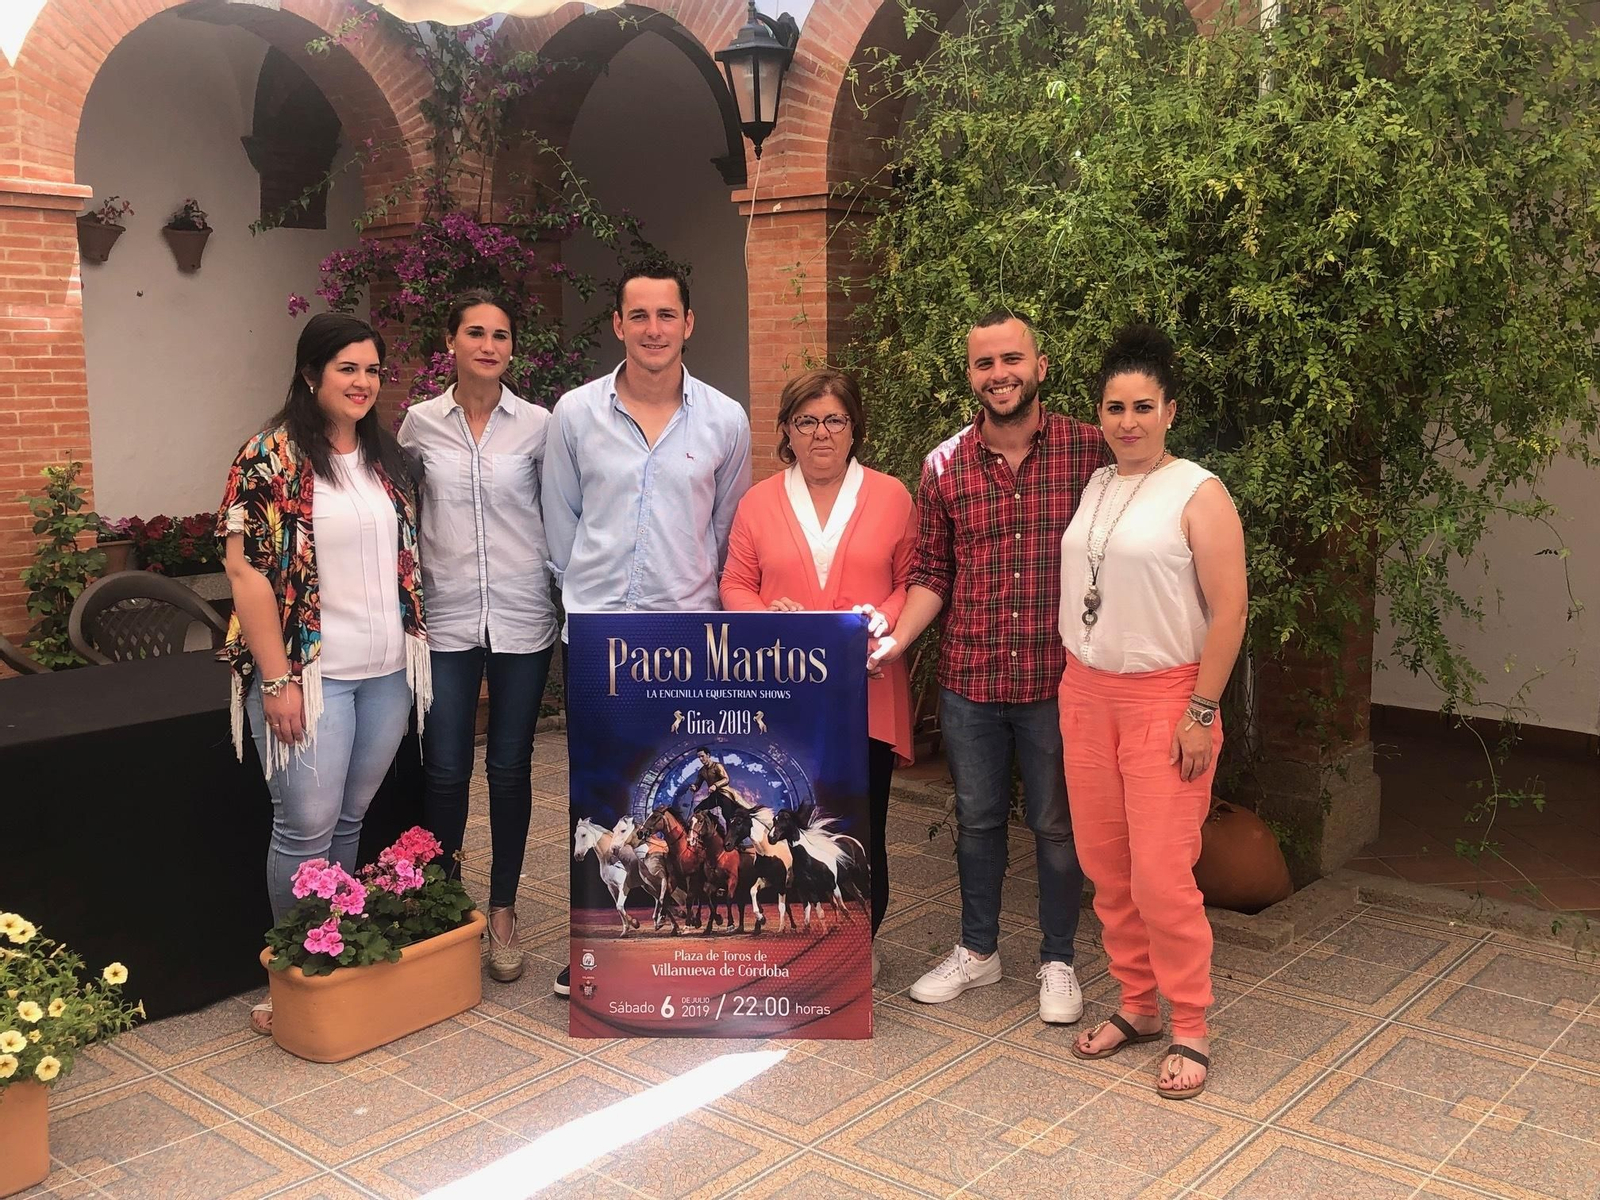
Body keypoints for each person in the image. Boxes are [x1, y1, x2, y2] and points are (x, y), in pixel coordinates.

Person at [870, 308, 1109, 1025]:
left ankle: (1058, 959)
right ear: (969, 375)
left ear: (1040, 365)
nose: (999, 374)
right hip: (971, 679)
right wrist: (892, 643)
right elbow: (932, 572)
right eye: (984, 363)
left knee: (1056, 825)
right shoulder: (943, 464)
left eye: (1011, 359)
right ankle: (979, 952)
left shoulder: (1089, 451)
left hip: (1057, 680)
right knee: (975, 822)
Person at [542, 262, 752, 995]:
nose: (654, 329)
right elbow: (558, 523)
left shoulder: (725, 419)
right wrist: (588, 597)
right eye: (640, 315)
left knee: (674, 792)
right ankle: (595, 948)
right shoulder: (574, 414)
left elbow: (727, 533)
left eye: (667, 315)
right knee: (598, 795)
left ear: (688, 324)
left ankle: (687, 938)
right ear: (618, 325)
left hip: (686, 639)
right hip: (599, 640)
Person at [218, 313, 430, 1035]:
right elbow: (243, 572)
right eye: (347, 368)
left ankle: (332, 959)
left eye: (372, 370)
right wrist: (275, 680)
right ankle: (296, 988)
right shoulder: (268, 457)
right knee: (305, 826)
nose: (363, 382)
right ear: (311, 374)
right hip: (310, 675)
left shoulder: (385, 457)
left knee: (348, 820)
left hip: (385, 672)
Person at [1058, 324, 1246, 1100]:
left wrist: (1201, 710)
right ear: (1099, 414)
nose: (1127, 420)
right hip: (1084, 694)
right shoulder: (1098, 484)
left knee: (1163, 875)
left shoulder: (1199, 491)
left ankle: (1191, 1024)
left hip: (1168, 698)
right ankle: (1137, 1004)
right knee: (1107, 870)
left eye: (1143, 406)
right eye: (1114, 407)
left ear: (1170, 410)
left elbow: (1231, 608)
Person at [720, 367, 917, 983]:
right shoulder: (759, 502)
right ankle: (786, 939)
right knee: (785, 818)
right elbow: (735, 583)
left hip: (868, 689)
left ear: (855, 426)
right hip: (784, 697)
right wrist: (765, 621)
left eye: (834, 419)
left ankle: (858, 937)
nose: (821, 433)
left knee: (862, 820)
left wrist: (878, 625)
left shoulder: (892, 497)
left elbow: (912, 584)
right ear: (786, 431)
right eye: (806, 421)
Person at [397, 289, 556, 984]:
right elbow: (402, 516)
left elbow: (561, 513)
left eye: (501, 335)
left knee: (511, 767)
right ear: (452, 343)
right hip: (449, 617)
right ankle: (442, 902)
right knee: (447, 765)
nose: (489, 345)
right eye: (475, 333)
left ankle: (503, 908)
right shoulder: (417, 425)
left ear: (512, 348)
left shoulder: (540, 426)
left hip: (523, 616)